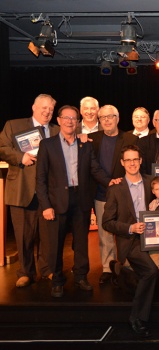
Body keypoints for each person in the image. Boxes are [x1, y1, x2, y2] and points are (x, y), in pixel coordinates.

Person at [36, 105, 111, 298]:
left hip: (81, 199)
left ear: (78, 123)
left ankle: (80, 277)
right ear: (59, 120)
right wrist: (46, 205)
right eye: (66, 118)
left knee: (81, 243)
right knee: (56, 243)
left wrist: (111, 181)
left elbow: (94, 169)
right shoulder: (47, 145)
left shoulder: (85, 145)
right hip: (56, 201)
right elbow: (41, 178)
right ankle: (57, 280)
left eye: (73, 118)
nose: (70, 121)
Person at [0, 93, 59, 287]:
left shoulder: (57, 130)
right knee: (23, 235)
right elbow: (2, 148)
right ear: (33, 107)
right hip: (22, 189)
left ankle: (47, 270)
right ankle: (25, 272)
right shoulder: (13, 125)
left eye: (50, 109)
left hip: (48, 192)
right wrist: (20, 157)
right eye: (43, 108)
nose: (47, 112)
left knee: (47, 235)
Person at [102, 145, 159, 337]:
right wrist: (130, 228)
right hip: (131, 240)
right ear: (122, 163)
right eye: (128, 160)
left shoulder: (152, 182)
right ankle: (137, 317)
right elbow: (107, 222)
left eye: (135, 159)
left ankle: (123, 273)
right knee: (151, 272)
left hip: (153, 237)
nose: (132, 163)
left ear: (141, 160)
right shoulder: (115, 189)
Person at [89, 104, 138, 284]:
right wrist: (107, 181)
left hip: (125, 194)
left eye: (111, 117)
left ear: (117, 118)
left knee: (126, 231)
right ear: (99, 121)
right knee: (105, 234)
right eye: (103, 118)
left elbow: (135, 164)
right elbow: (91, 165)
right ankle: (107, 268)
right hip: (102, 192)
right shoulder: (92, 139)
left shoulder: (130, 138)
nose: (107, 120)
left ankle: (126, 265)